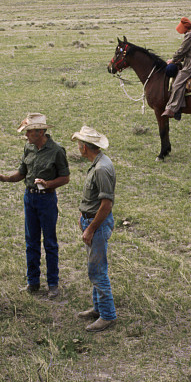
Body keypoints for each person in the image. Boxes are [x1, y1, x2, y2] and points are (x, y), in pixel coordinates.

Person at [0, 113, 70, 299]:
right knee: (31, 241)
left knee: (49, 242)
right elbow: (22, 173)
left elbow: (65, 178)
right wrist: (6, 179)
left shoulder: (57, 151)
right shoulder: (28, 148)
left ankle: (52, 284)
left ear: (41, 132)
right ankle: (33, 282)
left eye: (29, 132)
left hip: (46, 200)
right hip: (30, 198)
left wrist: (49, 184)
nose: (26, 136)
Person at [72, 126, 117, 333]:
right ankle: (99, 308)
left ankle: (107, 315)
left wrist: (90, 228)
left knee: (98, 271)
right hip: (92, 221)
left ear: (84, 148)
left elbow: (106, 205)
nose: (78, 148)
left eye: (79, 144)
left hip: (97, 225)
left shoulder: (100, 169)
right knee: (95, 268)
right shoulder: (98, 163)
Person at [161, 17, 191, 118]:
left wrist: (173, 60)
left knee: (177, 83)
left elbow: (182, 50)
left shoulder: (189, 35)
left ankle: (172, 108)